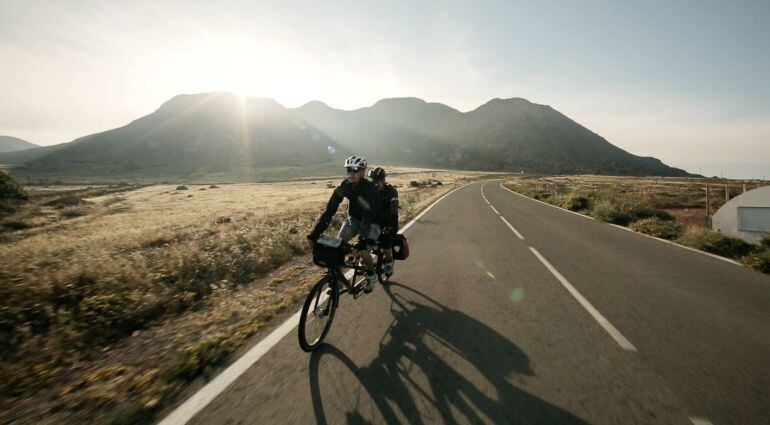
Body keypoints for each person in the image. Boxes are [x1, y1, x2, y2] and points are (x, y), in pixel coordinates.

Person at [307, 155, 381, 293]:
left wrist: (363, 239)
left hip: (371, 223)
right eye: (348, 170)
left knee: (364, 252)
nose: (351, 173)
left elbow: (369, 215)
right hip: (353, 220)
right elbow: (330, 211)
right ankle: (338, 281)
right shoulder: (345, 187)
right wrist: (315, 233)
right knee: (337, 247)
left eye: (354, 170)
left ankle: (371, 274)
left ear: (362, 172)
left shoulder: (371, 189)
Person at [368, 167, 398, 277]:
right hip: (375, 223)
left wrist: (390, 226)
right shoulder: (371, 191)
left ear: (383, 180)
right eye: (373, 181)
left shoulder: (391, 191)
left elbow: (394, 211)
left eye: (377, 181)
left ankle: (389, 262)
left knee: (385, 243)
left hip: (389, 222)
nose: (375, 184)